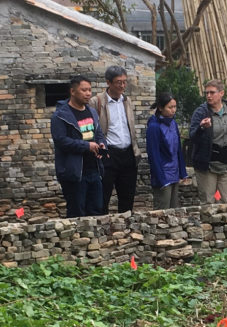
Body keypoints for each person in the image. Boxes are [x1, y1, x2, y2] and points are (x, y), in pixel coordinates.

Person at [51, 76, 107, 218]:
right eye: (84, 90)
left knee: (96, 211)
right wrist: (86, 146)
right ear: (73, 91)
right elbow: (61, 141)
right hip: (74, 172)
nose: (88, 93)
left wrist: (101, 144)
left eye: (89, 90)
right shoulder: (60, 115)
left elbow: (99, 133)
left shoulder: (92, 112)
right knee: (77, 212)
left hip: (94, 169)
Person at [89, 65, 140, 214]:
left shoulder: (127, 101)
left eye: (124, 82)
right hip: (109, 154)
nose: (122, 85)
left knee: (127, 196)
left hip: (128, 154)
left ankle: (126, 230)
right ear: (108, 82)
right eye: (119, 82)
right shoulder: (97, 102)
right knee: (103, 195)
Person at [189, 79, 227, 204]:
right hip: (208, 165)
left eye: (212, 92)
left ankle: (224, 223)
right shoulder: (201, 112)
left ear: (221, 93)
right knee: (208, 202)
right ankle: (208, 223)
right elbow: (192, 137)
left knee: (225, 201)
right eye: (206, 93)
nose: (208, 96)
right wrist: (202, 128)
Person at [146, 93, 187, 209]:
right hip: (163, 174)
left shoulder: (173, 123)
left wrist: (182, 171)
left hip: (174, 172)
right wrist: (161, 178)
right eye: (170, 107)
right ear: (160, 108)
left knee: (174, 209)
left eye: (175, 107)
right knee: (162, 210)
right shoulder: (154, 127)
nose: (173, 110)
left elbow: (178, 149)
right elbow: (153, 155)